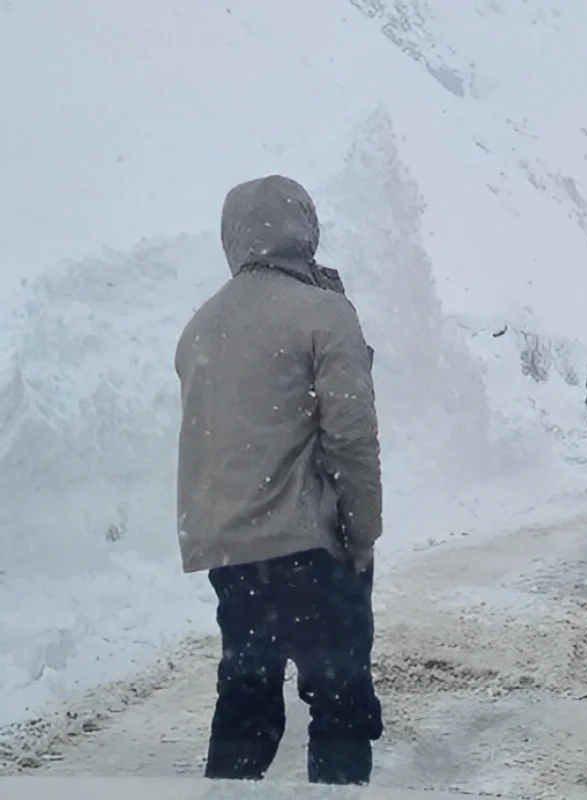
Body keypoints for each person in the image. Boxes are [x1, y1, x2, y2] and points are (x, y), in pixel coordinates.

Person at [174, 175, 384, 785]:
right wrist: (361, 532)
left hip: (233, 556)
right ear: (305, 228)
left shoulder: (200, 326)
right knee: (340, 702)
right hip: (311, 548)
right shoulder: (324, 313)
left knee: (245, 700)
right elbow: (351, 437)